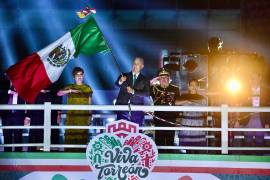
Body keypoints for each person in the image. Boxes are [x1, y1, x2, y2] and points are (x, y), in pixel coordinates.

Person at [57, 67, 92, 152]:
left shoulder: (87, 88)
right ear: (74, 77)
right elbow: (59, 93)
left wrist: (90, 116)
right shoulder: (70, 86)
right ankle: (69, 158)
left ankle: (81, 157)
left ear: (83, 76)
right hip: (72, 117)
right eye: (77, 75)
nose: (79, 76)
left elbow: (90, 103)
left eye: (81, 75)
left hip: (83, 117)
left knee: (82, 137)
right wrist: (70, 90)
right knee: (70, 136)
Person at [150, 68, 180, 153]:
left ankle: (170, 161)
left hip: (171, 118)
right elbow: (145, 88)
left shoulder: (175, 89)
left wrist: (177, 116)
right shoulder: (154, 88)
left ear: (169, 78)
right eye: (161, 77)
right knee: (159, 141)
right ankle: (160, 161)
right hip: (159, 118)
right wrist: (153, 80)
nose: (164, 79)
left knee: (170, 141)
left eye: (166, 77)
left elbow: (178, 103)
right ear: (158, 79)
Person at [115, 57, 150, 126]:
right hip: (122, 108)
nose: (135, 66)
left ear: (142, 66)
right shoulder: (124, 75)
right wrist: (121, 81)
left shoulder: (145, 79)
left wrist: (134, 91)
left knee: (136, 131)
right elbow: (116, 85)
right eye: (134, 63)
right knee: (122, 132)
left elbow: (147, 93)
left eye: (137, 64)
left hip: (137, 109)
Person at [176, 79, 207, 154]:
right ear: (188, 86)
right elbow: (176, 103)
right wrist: (187, 101)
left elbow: (205, 110)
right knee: (188, 147)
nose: (194, 87)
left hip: (198, 123)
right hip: (187, 123)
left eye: (196, 85)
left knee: (197, 148)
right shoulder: (184, 96)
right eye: (192, 85)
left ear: (198, 87)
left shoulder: (202, 98)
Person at [28, 86, 60, 152]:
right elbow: (30, 103)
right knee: (38, 132)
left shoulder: (53, 92)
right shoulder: (35, 92)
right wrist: (28, 117)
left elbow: (57, 99)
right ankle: (37, 150)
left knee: (51, 132)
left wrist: (59, 113)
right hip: (37, 116)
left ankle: (51, 151)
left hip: (51, 116)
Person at [2, 84, 26, 152]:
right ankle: (7, 154)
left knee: (18, 136)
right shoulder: (5, 89)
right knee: (7, 136)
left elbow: (27, 101)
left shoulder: (23, 90)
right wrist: (8, 91)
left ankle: (19, 154)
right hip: (6, 115)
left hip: (18, 116)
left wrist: (27, 116)